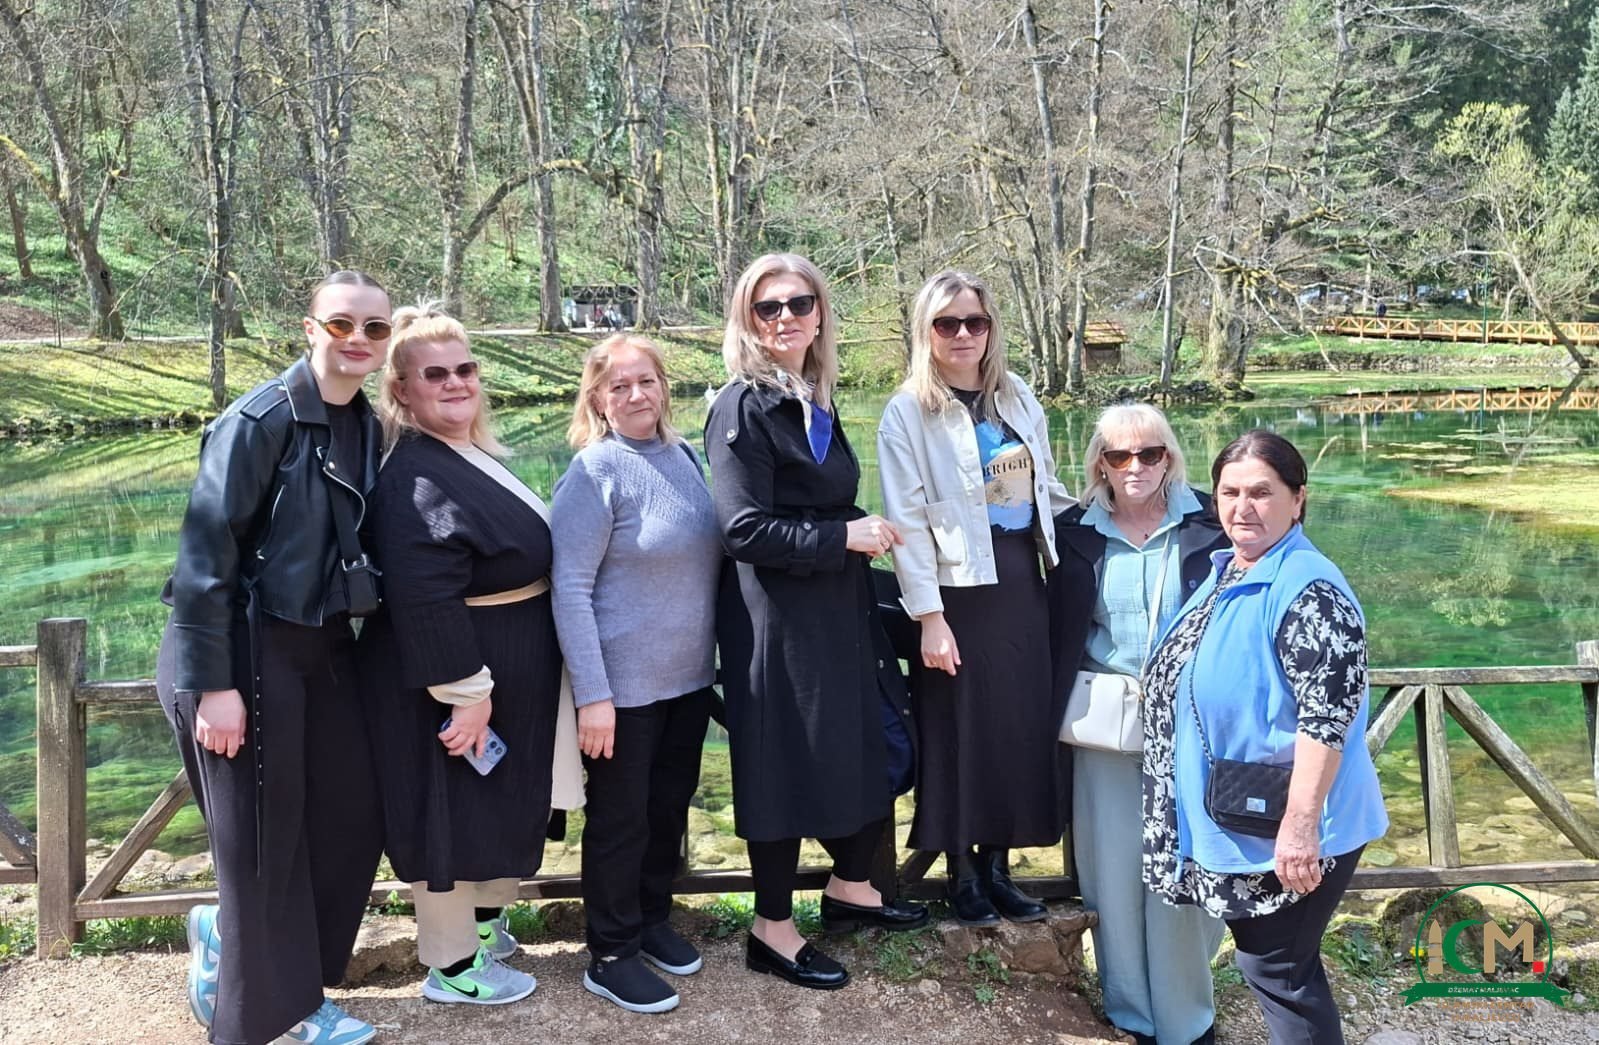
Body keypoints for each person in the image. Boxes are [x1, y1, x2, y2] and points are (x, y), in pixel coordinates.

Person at [156, 270, 390, 1045]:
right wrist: (213, 685)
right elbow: (204, 559)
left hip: (319, 649)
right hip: (242, 650)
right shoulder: (260, 420)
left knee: (351, 815)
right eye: (341, 324)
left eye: (374, 328)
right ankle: (271, 1015)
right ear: (310, 328)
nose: (357, 339)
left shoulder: (362, 422)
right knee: (261, 844)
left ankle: (239, 942)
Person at [706, 252, 929, 992]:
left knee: (867, 743)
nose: (785, 318)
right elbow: (741, 529)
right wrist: (843, 536)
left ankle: (850, 887)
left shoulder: (813, 396)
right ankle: (771, 928)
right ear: (746, 319)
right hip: (775, 620)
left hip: (834, 609)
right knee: (781, 762)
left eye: (799, 303)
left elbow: (819, 502)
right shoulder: (741, 406)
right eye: (767, 307)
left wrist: (863, 532)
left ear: (820, 312)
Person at [1141, 430, 1389, 1044]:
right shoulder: (1233, 568)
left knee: (1279, 970)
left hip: (1286, 824)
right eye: (1229, 493)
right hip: (1244, 815)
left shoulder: (1308, 589)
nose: (1242, 508)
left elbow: (1327, 719)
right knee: (1277, 968)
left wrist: (1300, 828)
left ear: (1297, 499)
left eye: (1261, 492)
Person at [360, 304, 569, 1009]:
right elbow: (423, 594)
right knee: (448, 808)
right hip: (454, 675)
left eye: (465, 368)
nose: (455, 383)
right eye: (435, 374)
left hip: (505, 660)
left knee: (493, 803)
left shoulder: (467, 454)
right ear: (402, 390)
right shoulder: (412, 475)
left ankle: (482, 930)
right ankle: (450, 965)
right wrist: (466, 693)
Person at [877, 270, 1076, 926]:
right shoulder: (908, 410)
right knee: (957, 731)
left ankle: (998, 868)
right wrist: (929, 618)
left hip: (1020, 580)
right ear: (925, 331)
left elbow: (1045, 489)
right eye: (947, 323)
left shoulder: (1015, 395)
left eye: (975, 322)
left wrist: (1121, 512)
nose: (962, 334)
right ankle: (960, 873)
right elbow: (906, 520)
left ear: (991, 329)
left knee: (1014, 728)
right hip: (956, 592)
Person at [551, 334, 721, 1014]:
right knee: (619, 822)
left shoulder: (682, 456)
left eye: (645, 380)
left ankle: (651, 917)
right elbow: (569, 588)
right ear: (597, 398)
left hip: (688, 682)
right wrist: (593, 695)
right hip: (620, 691)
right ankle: (611, 951)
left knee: (666, 810)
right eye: (618, 385)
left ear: (663, 387)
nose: (635, 394)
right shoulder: (593, 471)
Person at [1048, 404, 1228, 1045]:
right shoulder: (1072, 531)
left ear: (1169, 457)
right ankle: (1132, 1015)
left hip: (1193, 727)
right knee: (1113, 872)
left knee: (1186, 869)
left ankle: (1186, 1019)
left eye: (1149, 453)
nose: (1135, 466)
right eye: (1119, 455)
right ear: (1099, 462)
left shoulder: (1212, 520)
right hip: (1107, 726)